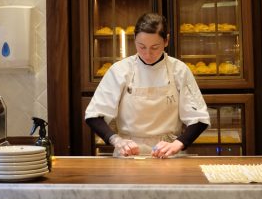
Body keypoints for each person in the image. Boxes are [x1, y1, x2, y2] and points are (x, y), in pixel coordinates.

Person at [85, 12, 210, 158]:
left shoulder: (179, 70)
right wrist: (117, 140)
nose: (147, 54)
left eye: (155, 47)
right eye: (141, 46)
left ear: (166, 41)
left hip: (168, 153)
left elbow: (199, 119)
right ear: (134, 40)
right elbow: (94, 115)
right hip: (127, 153)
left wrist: (178, 144)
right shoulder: (120, 70)